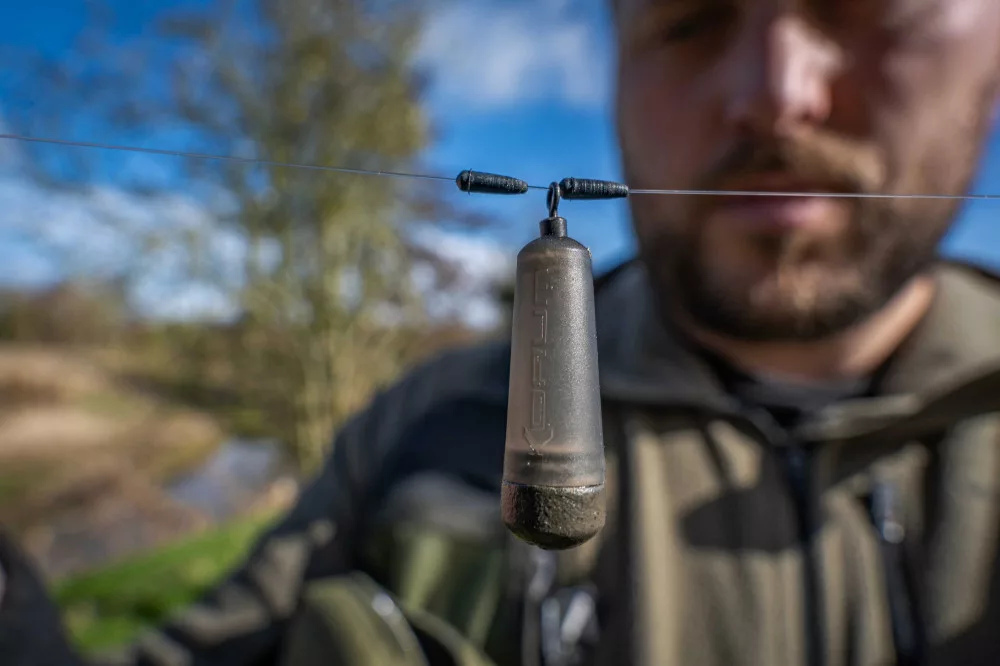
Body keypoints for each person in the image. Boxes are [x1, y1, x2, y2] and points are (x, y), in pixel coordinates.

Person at [4, 0, 1000, 663]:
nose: (777, 96)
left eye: (871, 7)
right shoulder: (421, 429)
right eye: (691, 19)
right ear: (619, 70)